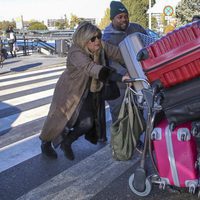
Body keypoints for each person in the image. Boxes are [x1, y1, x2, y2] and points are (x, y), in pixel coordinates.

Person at [39, 21, 130, 160]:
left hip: (89, 90)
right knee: (57, 119)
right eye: (92, 39)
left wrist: (136, 61)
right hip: (70, 91)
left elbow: (117, 53)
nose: (97, 41)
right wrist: (119, 77)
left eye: (98, 37)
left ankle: (67, 143)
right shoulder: (76, 52)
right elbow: (90, 68)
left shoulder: (99, 45)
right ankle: (45, 142)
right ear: (84, 40)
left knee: (87, 123)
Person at [102, 0, 147, 123]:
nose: (124, 20)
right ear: (112, 19)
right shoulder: (107, 38)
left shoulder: (136, 28)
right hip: (120, 86)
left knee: (138, 115)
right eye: (119, 17)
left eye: (126, 16)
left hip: (139, 81)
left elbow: (148, 43)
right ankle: (121, 142)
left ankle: (136, 141)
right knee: (121, 119)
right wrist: (124, 73)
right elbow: (109, 63)